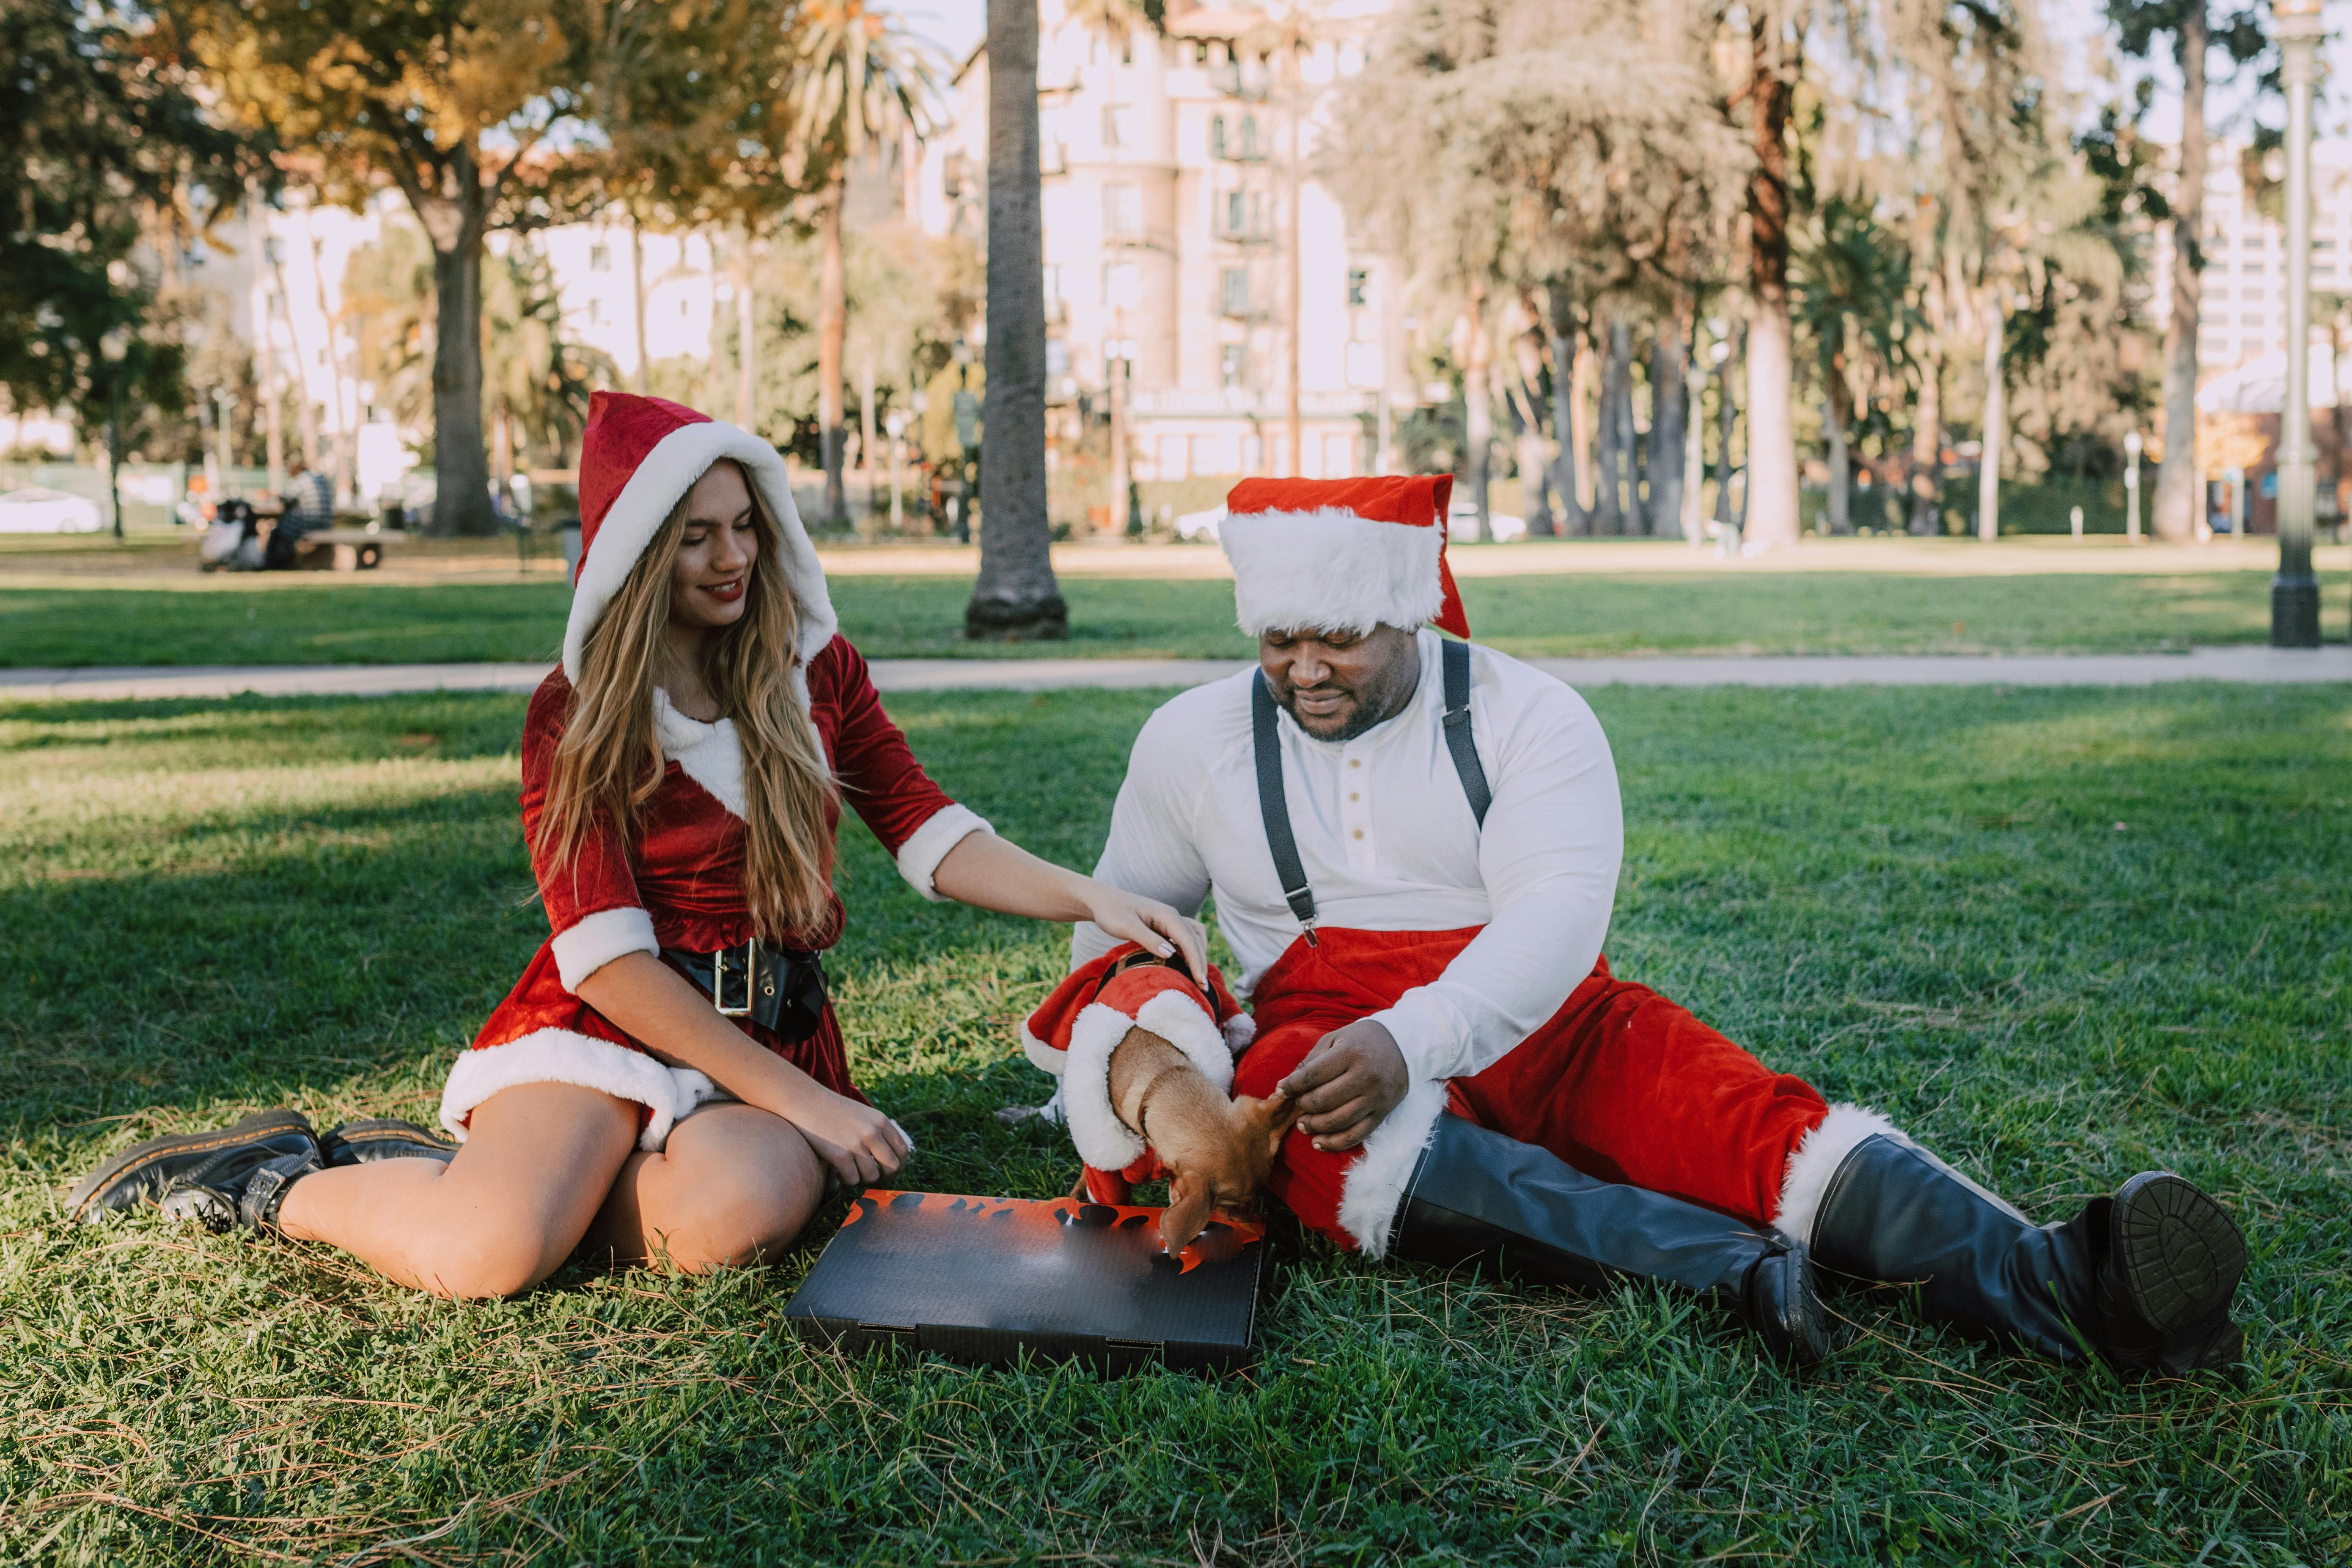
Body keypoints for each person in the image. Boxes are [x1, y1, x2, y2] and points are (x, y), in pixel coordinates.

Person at [1021, 474, 2248, 1372]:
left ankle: (2066, 1284)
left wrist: (1419, 1036)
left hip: (1550, 1019)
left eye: (1339, 636)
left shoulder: (1530, 715)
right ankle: (1733, 1274)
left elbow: (1555, 924)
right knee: (1303, 1120)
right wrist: (1171, 1074)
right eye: (1279, 637)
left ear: (1412, 612)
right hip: (1324, 1050)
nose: (1304, 668)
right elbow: (1116, 943)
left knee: (1752, 1120)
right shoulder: (1190, 740)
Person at [68, 392, 1203, 1298]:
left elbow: (928, 828)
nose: (733, 558)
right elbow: (607, 962)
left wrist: (1089, 899)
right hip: (608, 1027)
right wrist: (814, 1109)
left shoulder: (818, 671)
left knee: (746, 1207)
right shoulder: (574, 714)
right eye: (695, 535)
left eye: (745, 525)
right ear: (634, 554)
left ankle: (491, 1179)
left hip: (768, 1036)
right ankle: (278, 1175)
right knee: (486, 1258)